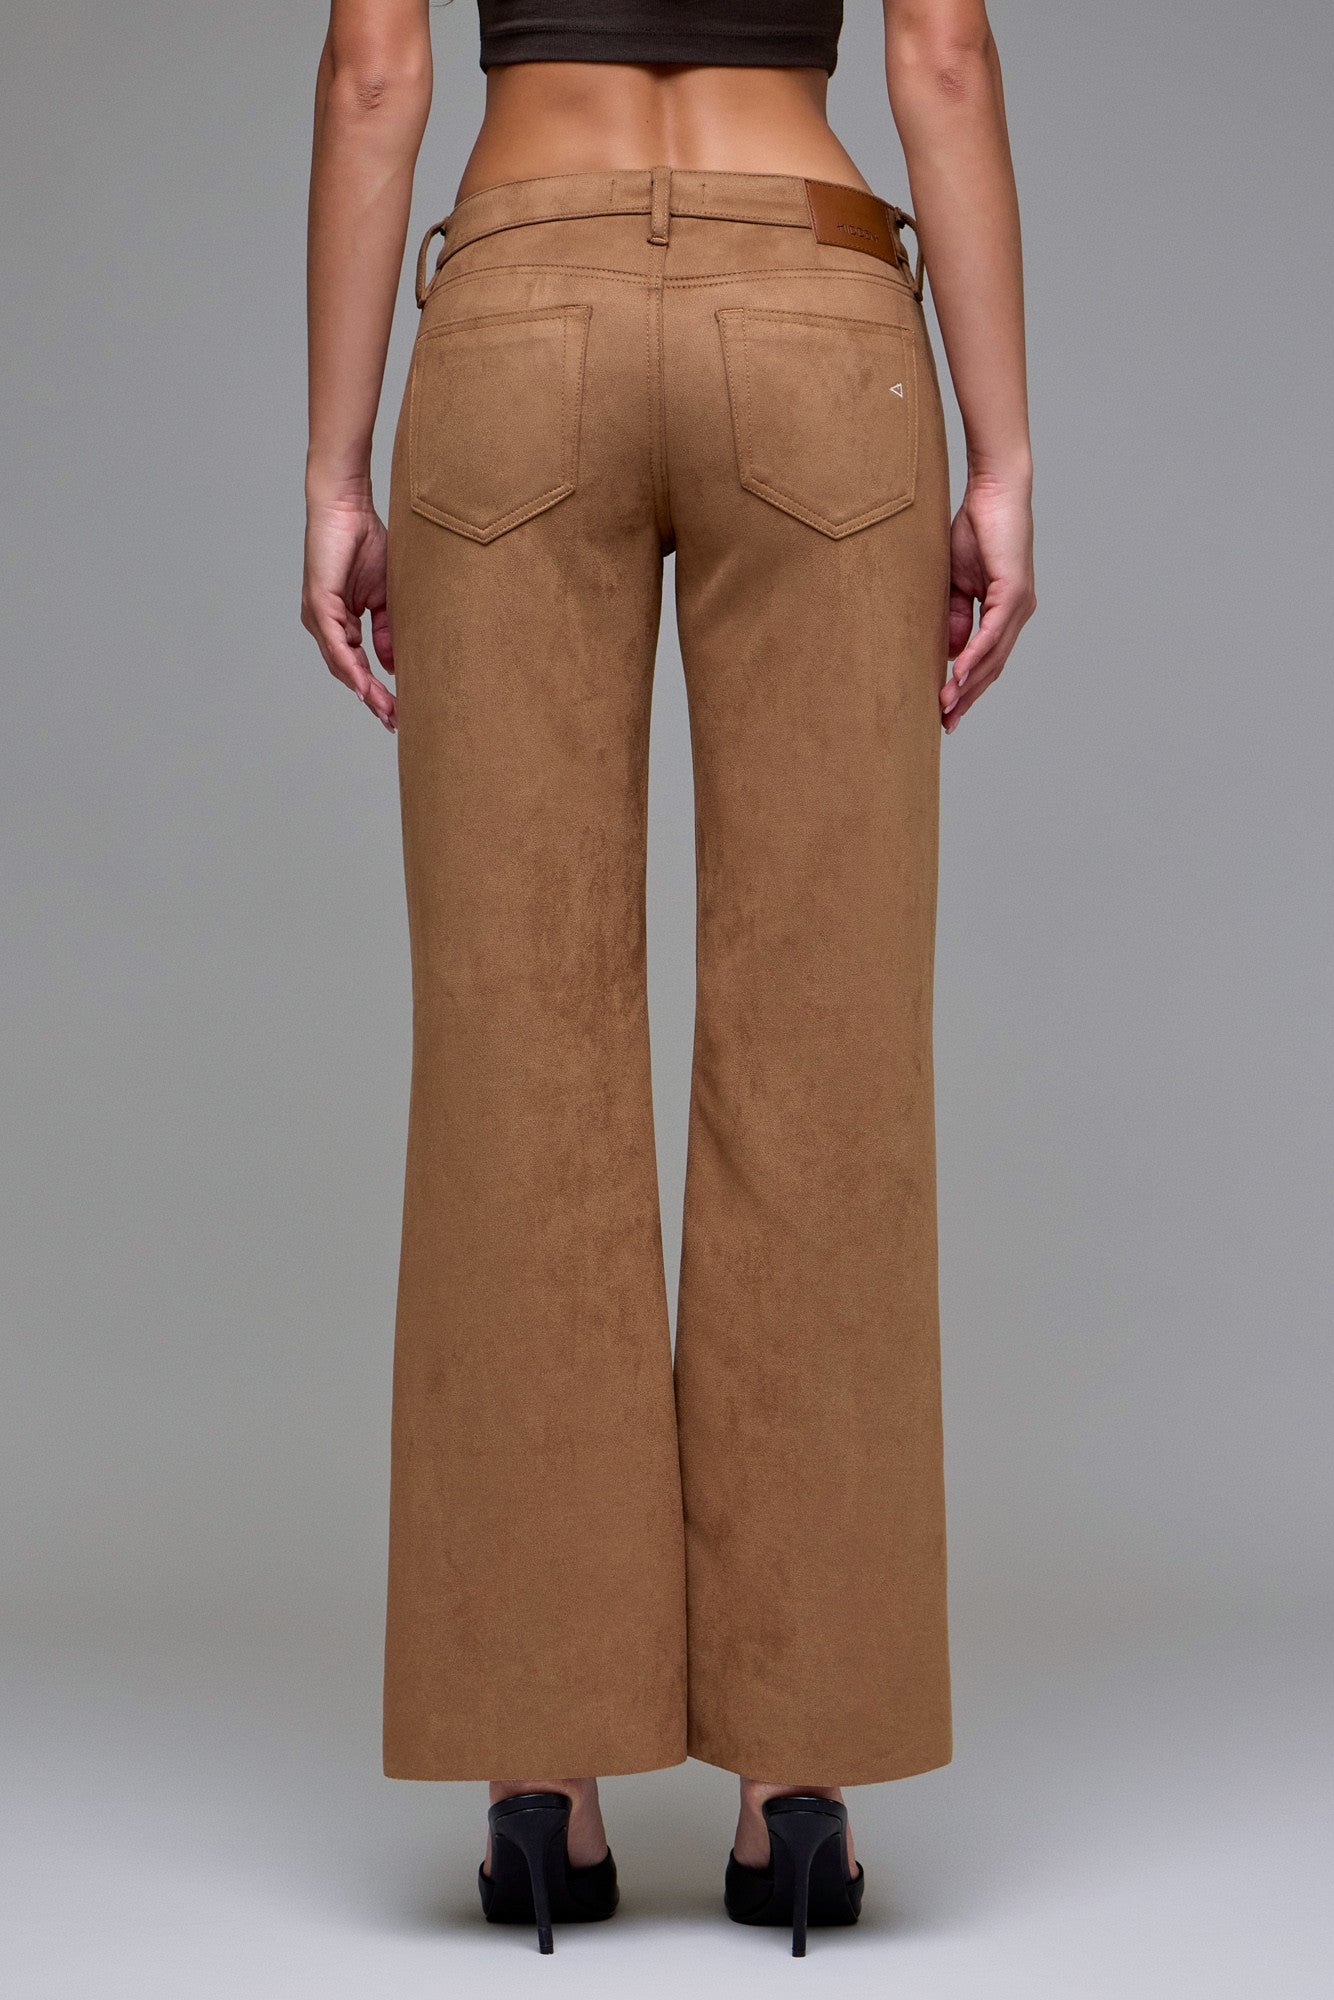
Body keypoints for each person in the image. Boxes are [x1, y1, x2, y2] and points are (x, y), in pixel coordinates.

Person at [302, 0, 1035, 1957]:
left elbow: (375, 70)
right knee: (824, 1043)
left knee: (513, 1035)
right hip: (812, 312)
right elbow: (940, 54)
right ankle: (797, 1785)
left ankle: (541, 1777)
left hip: (516, 309)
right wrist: (1002, 450)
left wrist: (335, 465)